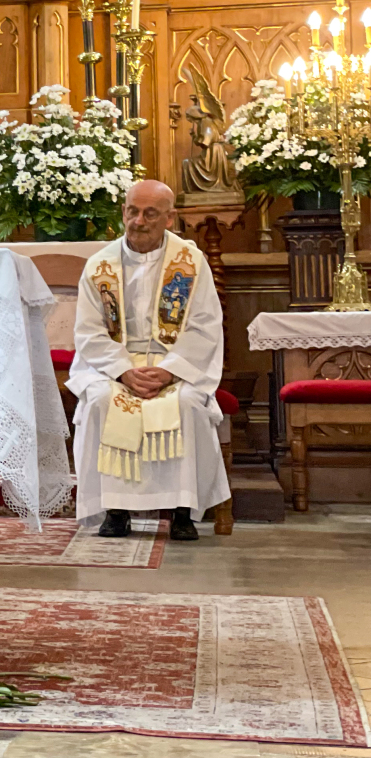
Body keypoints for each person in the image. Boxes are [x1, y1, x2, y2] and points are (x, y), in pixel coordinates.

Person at [68, 180, 230, 541]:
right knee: (99, 400)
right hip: (116, 365)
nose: (138, 221)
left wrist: (168, 371)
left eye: (150, 214)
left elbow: (205, 326)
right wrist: (124, 371)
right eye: (132, 211)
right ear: (123, 212)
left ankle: (182, 511)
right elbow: (89, 331)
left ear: (170, 218)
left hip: (173, 364)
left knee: (188, 404)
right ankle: (115, 511)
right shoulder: (99, 266)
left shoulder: (191, 263)